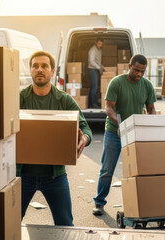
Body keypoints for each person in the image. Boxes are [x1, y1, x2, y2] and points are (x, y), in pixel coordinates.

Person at [18, 50, 92, 226]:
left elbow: (85, 127)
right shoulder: (19, 98)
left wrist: (84, 139)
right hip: (21, 175)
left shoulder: (63, 100)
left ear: (52, 72)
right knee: (9, 223)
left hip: (54, 176)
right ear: (30, 70)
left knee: (65, 224)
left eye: (44, 66)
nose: (39, 69)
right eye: (35, 66)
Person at [93, 54, 156, 215]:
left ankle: (136, 205)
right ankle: (99, 203)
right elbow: (109, 108)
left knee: (136, 171)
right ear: (129, 66)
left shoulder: (147, 85)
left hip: (135, 133)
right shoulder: (117, 82)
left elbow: (151, 109)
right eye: (136, 70)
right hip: (115, 132)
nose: (139, 74)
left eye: (142, 71)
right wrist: (120, 123)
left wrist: (154, 125)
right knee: (107, 169)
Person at [88, 38, 104, 108]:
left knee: (96, 86)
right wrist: (99, 68)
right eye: (98, 43)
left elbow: (98, 61)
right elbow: (91, 62)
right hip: (92, 69)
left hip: (96, 69)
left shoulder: (99, 50)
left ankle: (95, 102)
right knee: (95, 87)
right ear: (96, 42)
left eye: (101, 44)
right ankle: (93, 104)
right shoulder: (92, 50)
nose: (99, 45)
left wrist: (102, 67)